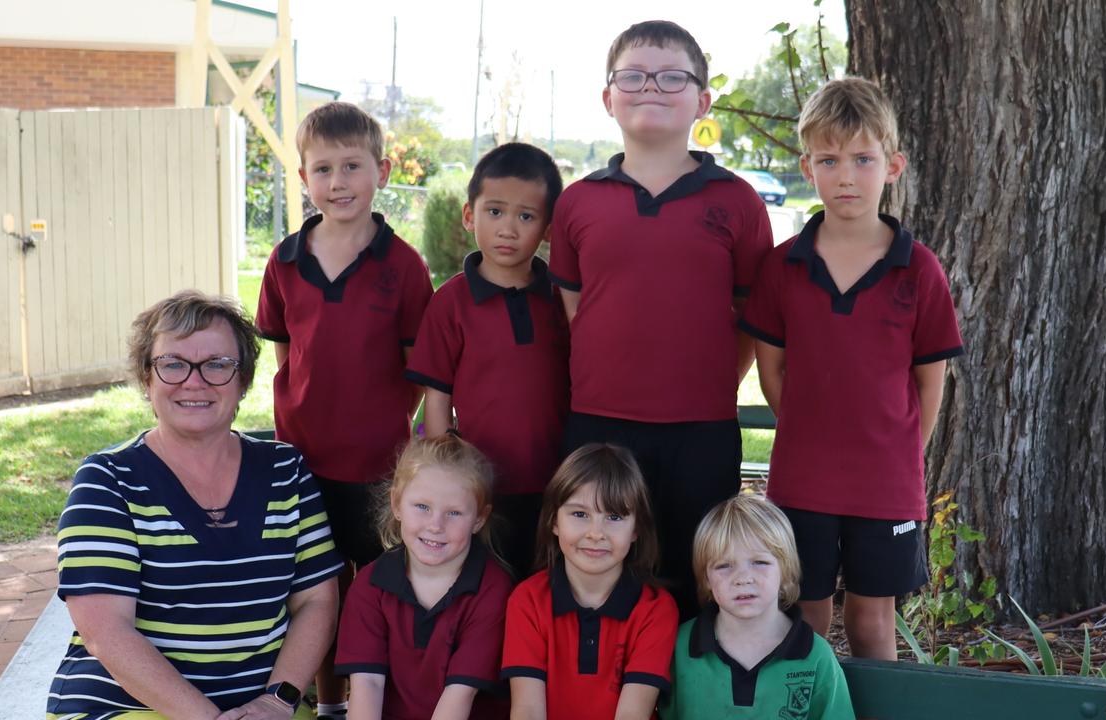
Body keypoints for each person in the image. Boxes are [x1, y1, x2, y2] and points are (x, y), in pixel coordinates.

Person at [548, 20, 773, 617]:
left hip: (701, 426)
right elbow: (577, 309)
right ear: (608, 98)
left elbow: (751, 315)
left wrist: (711, 382)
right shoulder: (578, 202)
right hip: (598, 424)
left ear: (701, 101)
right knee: (600, 574)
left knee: (694, 575)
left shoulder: (737, 200)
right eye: (634, 76)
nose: (652, 87)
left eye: (673, 77)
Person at [738, 77, 964, 660]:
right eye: (829, 159)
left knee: (871, 624)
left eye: (863, 159)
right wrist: (814, 435)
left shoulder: (918, 269)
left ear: (892, 165)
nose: (845, 175)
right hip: (802, 475)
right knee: (803, 619)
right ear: (807, 165)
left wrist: (899, 451)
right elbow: (773, 373)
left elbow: (929, 382)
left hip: (886, 482)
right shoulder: (782, 267)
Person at [47, 290, 342, 719]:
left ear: (243, 381)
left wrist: (277, 700)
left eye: (218, 364)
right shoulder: (107, 481)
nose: (194, 380)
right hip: (131, 706)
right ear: (147, 380)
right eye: (173, 364)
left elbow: (316, 601)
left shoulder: (286, 470)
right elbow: (106, 632)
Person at [256, 101, 434, 716]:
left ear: (381, 171)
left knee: (381, 592)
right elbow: (286, 358)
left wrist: (383, 428)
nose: (338, 182)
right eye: (323, 169)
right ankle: (329, 702)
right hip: (303, 464)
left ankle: (378, 701)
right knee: (318, 592)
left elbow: (419, 370)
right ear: (304, 178)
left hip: (381, 469)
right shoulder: (283, 263)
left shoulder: (406, 268)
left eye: (352, 166)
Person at [406, 142, 569, 579]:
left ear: (549, 229)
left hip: (557, 484)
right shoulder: (451, 303)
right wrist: (447, 483)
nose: (508, 229)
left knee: (541, 588)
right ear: (468, 215)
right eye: (494, 212)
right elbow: (436, 399)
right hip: (479, 489)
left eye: (526, 216)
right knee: (483, 586)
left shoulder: (561, 298)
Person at [334, 435, 512, 720]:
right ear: (396, 504)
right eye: (422, 507)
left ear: (479, 518)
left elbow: (460, 694)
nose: (435, 525)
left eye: (454, 512)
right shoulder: (369, 586)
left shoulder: (492, 589)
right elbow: (367, 684)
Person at [502, 444, 679, 720]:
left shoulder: (656, 609)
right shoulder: (528, 600)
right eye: (580, 514)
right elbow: (527, 709)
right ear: (554, 522)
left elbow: (634, 713)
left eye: (614, 516)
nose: (596, 533)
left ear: (636, 530)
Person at [660, 495, 855, 720]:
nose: (743, 578)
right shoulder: (681, 647)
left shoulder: (815, 656)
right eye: (724, 566)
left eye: (759, 562)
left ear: (785, 571)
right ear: (706, 580)